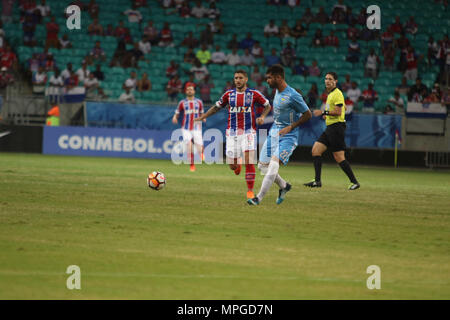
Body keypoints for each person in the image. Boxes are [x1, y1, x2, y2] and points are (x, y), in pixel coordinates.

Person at [195, 70, 272, 200]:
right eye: (236, 78)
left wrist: (263, 116)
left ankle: (250, 191)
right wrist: (203, 116)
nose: (238, 80)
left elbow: (268, 105)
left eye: (240, 78)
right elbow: (216, 107)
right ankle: (237, 165)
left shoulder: (253, 94)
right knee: (232, 166)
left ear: (246, 79)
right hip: (232, 133)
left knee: (249, 161)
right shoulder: (228, 95)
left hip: (249, 132)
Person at [247, 64, 312, 205]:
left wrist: (291, 126)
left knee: (273, 166)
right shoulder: (277, 91)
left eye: (269, 78)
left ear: (278, 77)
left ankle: (258, 198)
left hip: (289, 137)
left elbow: (308, 114)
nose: (267, 81)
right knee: (262, 166)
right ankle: (284, 186)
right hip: (274, 133)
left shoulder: (293, 95)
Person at [304, 72, 360, 190]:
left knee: (339, 157)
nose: (327, 81)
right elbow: (342, 108)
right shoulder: (331, 94)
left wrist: (323, 113)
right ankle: (317, 181)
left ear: (335, 81)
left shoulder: (337, 93)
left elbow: (339, 112)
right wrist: (328, 116)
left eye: (330, 79)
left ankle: (354, 182)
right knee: (316, 150)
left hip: (336, 128)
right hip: (330, 127)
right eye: (326, 79)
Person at [172, 84, 205, 172]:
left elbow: (202, 112)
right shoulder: (182, 102)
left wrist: (203, 117)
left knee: (199, 147)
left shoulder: (199, 102)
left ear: (194, 91)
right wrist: (175, 117)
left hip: (197, 127)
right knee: (189, 145)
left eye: (191, 89)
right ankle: (192, 165)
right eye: (188, 89)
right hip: (186, 128)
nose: (190, 91)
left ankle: (201, 153)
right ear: (186, 92)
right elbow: (177, 111)